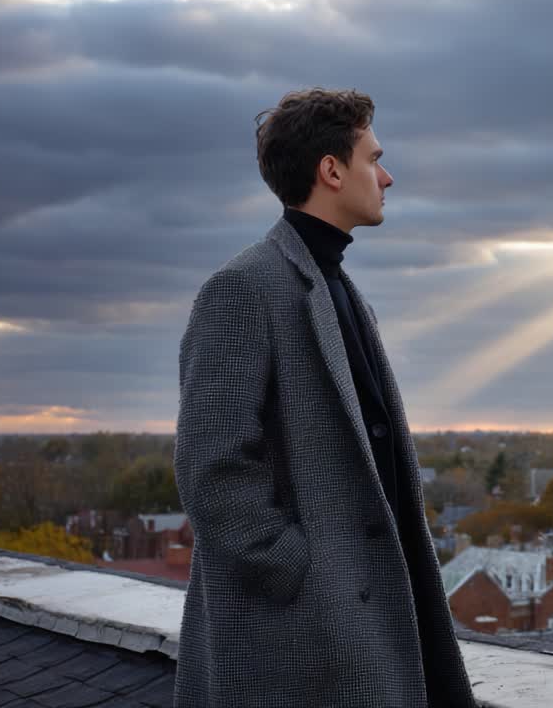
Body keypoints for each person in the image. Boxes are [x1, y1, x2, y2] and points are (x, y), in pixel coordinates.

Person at [172, 88, 475, 707]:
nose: (387, 177)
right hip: (307, 637)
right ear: (331, 170)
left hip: (375, 619)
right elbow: (213, 470)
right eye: (373, 158)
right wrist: (308, 576)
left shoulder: (335, 285)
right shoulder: (241, 288)